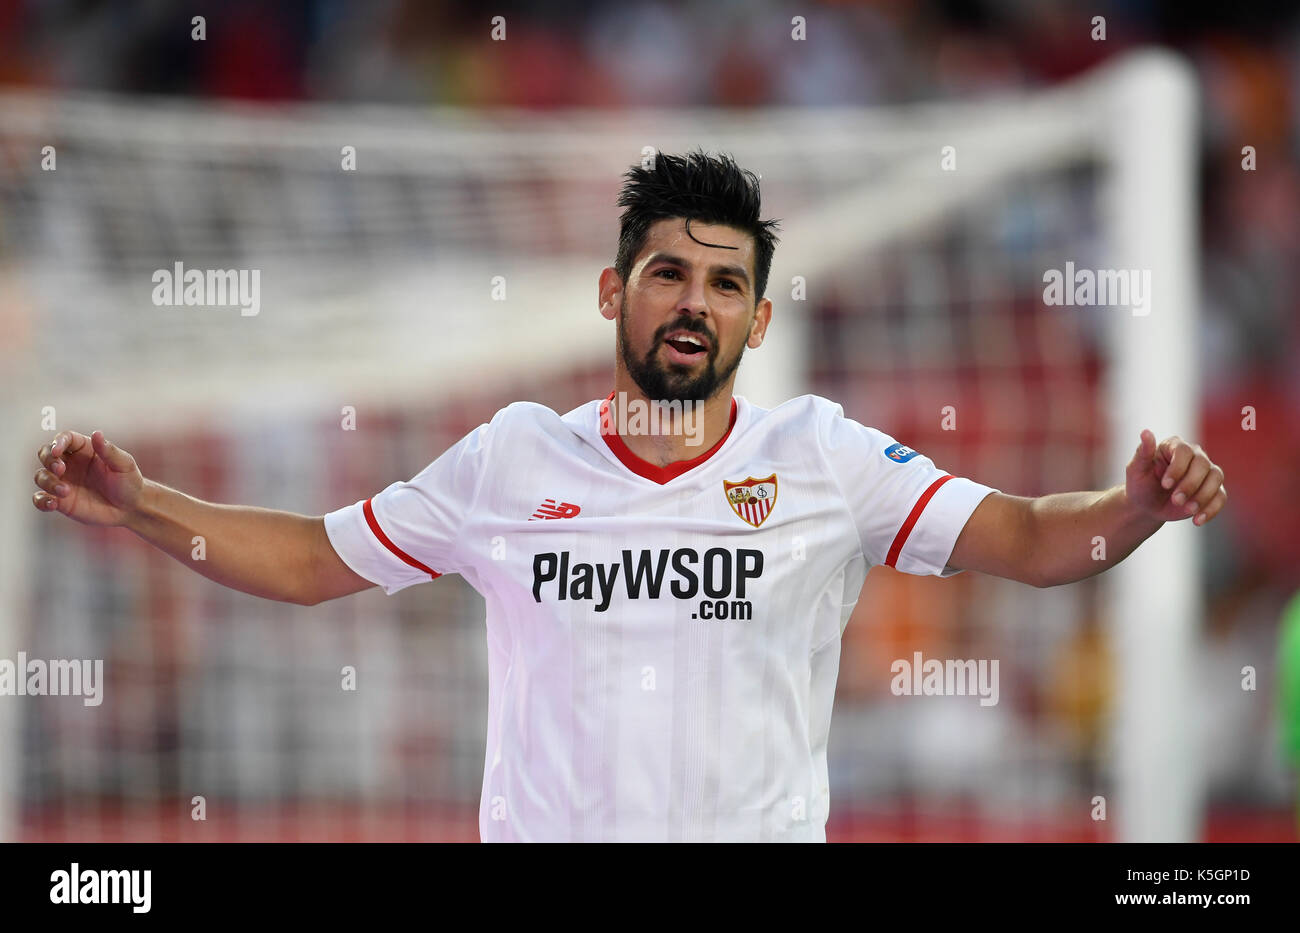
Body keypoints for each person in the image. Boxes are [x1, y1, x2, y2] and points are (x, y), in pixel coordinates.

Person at [31, 149, 1227, 842]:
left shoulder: (822, 457)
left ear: (758, 318)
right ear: (613, 292)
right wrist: (146, 508)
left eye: (722, 282)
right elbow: (307, 563)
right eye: (668, 273)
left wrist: (1130, 509)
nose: (693, 302)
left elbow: (1022, 537)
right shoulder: (508, 461)